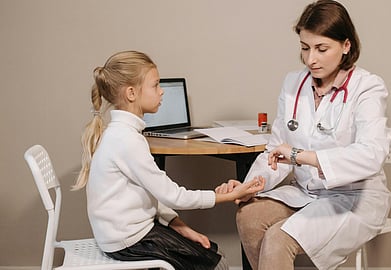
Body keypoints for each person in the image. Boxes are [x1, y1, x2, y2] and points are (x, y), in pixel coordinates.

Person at [216, 1, 391, 269]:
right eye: (305, 47)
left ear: (346, 46)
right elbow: (275, 149)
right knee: (248, 215)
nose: (311, 59)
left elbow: (371, 154)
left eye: (322, 49)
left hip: (354, 197)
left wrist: (301, 156)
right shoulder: (293, 84)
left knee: (279, 238)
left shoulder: (367, 87)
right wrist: (250, 186)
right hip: (307, 192)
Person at [72, 50, 265, 270]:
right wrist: (232, 195)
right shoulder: (127, 140)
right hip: (129, 240)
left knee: (212, 251)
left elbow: (154, 194)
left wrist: (180, 226)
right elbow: (175, 197)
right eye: (155, 85)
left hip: (128, 232)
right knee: (218, 265)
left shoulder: (122, 134)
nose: (161, 92)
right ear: (132, 93)